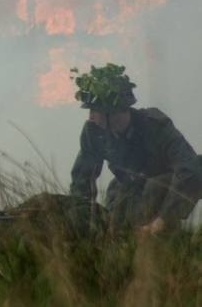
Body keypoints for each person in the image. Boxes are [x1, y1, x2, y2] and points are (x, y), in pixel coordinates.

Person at [69, 63, 202, 234]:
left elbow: (190, 169)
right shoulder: (94, 132)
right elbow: (82, 181)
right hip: (128, 193)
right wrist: (82, 222)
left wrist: (161, 221)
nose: (91, 117)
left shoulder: (155, 126)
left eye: (96, 111)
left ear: (115, 113)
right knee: (115, 205)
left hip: (164, 194)